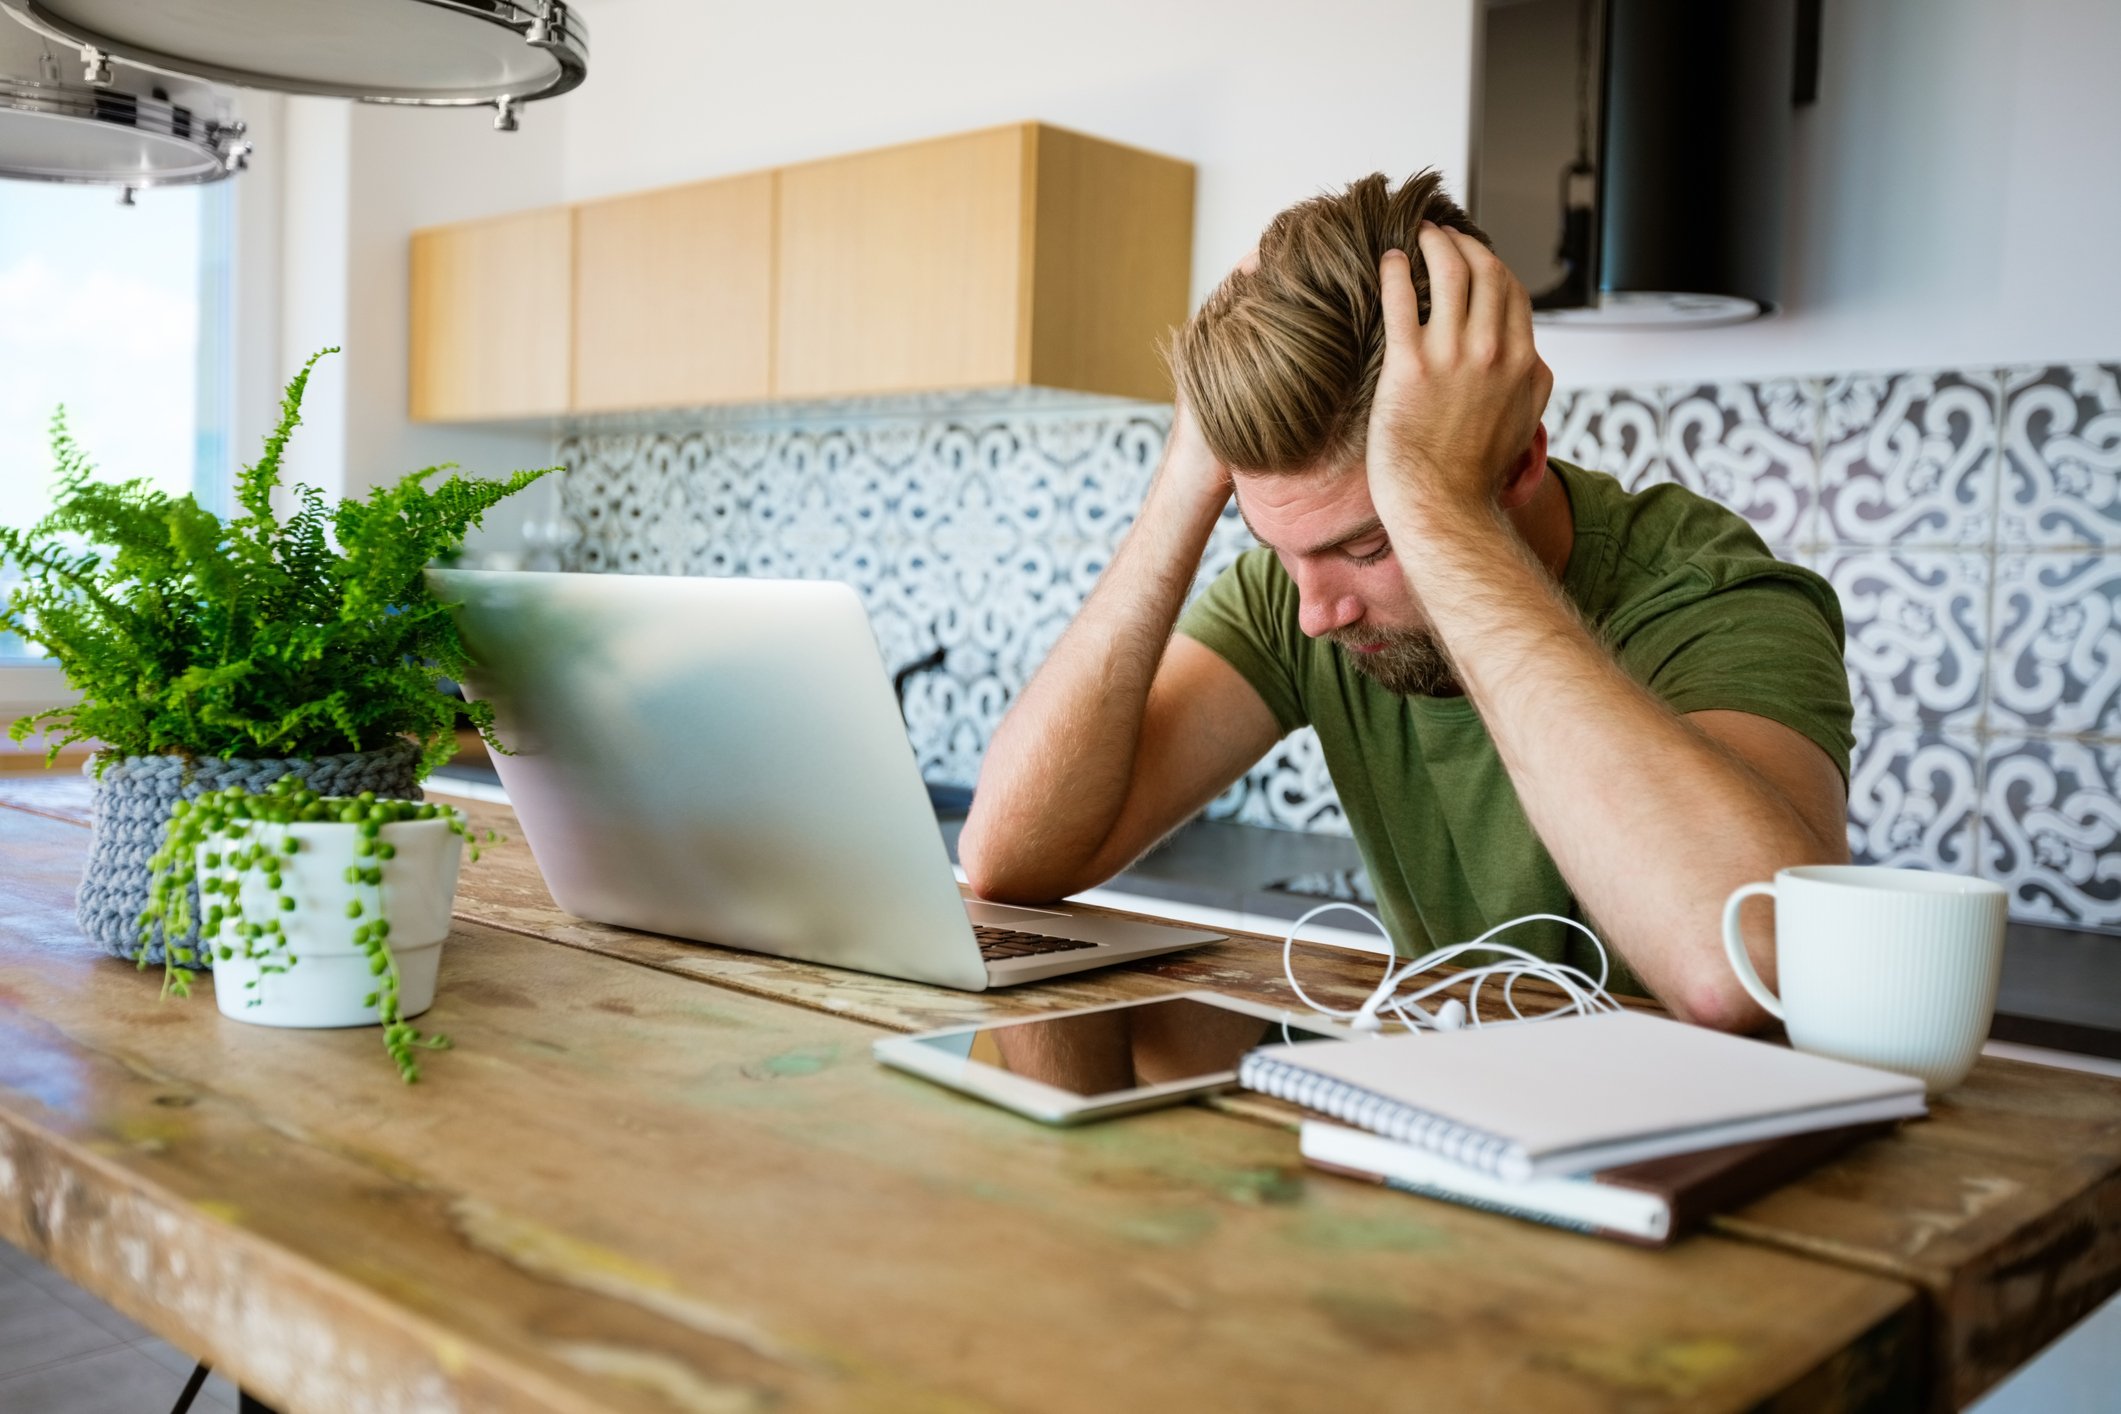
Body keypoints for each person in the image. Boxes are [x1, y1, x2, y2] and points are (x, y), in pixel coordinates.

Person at [956, 171, 1854, 1031]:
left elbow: (1744, 970)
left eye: (1368, 547)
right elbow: (1008, 861)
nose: (1316, 614)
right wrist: (1188, 473)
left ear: (1518, 462)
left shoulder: (1708, 593)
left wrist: (1437, 506)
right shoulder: (1298, 592)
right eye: (1279, 549)